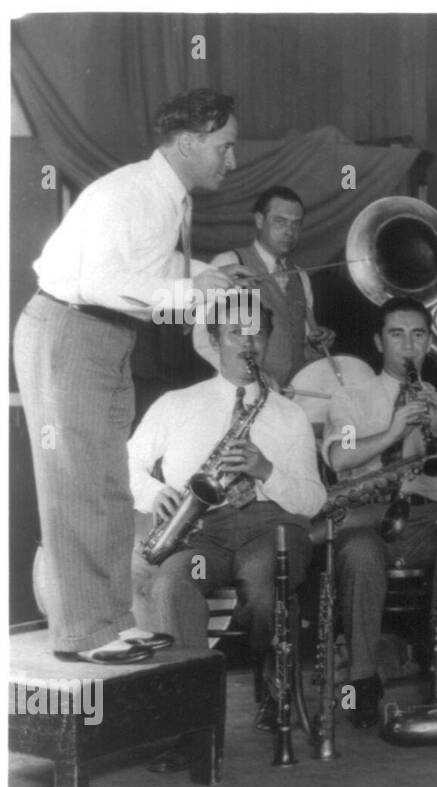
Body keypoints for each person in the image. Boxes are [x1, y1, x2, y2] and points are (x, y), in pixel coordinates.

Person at [14, 87, 251, 661]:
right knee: (81, 483)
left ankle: (107, 621)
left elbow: (143, 267)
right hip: (74, 327)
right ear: (189, 141)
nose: (232, 159)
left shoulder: (162, 195)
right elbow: (100, 280)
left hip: (100, 333)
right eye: (225, 145)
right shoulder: (136, 194)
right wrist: (189, 288)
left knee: (105, 482)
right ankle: (89, 632)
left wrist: (205, 273)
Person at [130, 305, 326, 727]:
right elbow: (125, 462)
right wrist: (153, 492)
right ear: (215, 341)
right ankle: (190, 717)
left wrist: (265, 470)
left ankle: (275, 688)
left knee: (264, 590)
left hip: (270, 530)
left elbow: (313, 500)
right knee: (172, 588)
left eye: (256, 334)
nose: (248, 343)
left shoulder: (289, 416)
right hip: (203, 534)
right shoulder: (176, 404)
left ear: (268, 342)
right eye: (236, 333)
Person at [322, 297, 437, 727]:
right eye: (397, 335)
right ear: (378, 341)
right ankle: (361, 684)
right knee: (361, 558)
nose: (408, 346)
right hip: (365, 516)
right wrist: (393, 430)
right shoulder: (351, 398)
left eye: (418, 335)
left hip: (425, 520)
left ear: (428, 343)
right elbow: (340, 459)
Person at [191, 185, 335, 386]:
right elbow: (203, 338)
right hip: (241, 390)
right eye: (280, 221)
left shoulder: (301, 276)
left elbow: (302, 344)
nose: (289, 232)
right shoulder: (228, 263)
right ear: (259, 220)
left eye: (296, 224)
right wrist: (250, 375)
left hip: (292, 397)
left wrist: (315, 344)